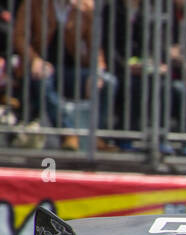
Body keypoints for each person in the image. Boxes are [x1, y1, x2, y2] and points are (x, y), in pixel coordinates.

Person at [13, 0, 116, 150]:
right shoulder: (33, 3)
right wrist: (34, 60)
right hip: (38, 69)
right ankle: (68, 133)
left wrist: (98, 72)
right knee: (43, 81)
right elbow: (19, 37)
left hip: (70, 70)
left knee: (108, 82)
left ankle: (95, 136)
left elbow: (94, 46)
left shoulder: (85, 6)